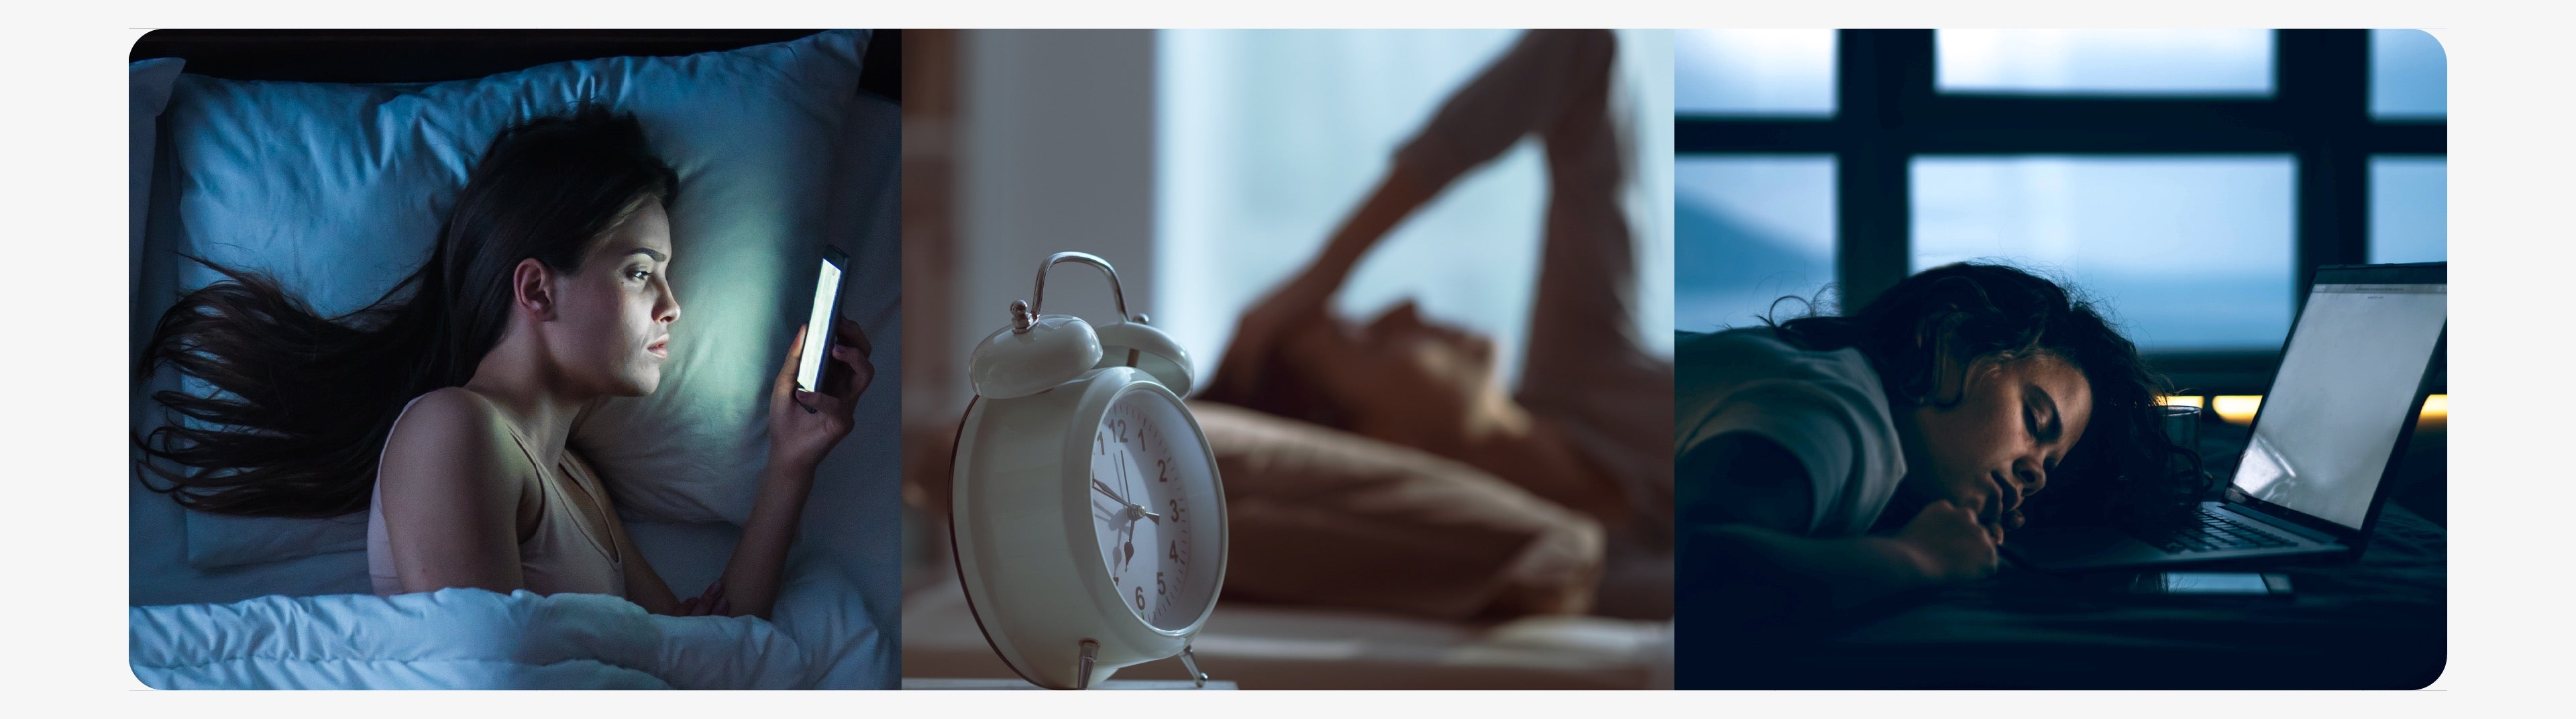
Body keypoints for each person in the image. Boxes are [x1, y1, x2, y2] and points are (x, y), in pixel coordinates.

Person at [133, 107, 873, 619]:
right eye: (642, 272)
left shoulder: (575, 482)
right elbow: (484, 675)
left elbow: (711, 652)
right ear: (536, 288)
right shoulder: (453, 430)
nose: (673, 305)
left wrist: (790, 460)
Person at [1195, 29, 1673, 620]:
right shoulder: (1563, 566)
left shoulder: (1586, 362)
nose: (1407, 309)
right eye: (1366, 338)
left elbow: (1583, 45)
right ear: (1383, 441)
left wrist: (1329, 267)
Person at [1671, 262, 2202, 657]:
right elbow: (1687, 565)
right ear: (1949, 340)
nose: (2036, 473)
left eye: (2050, 466)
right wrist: (1919, 560)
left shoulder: (1837, 397)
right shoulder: (1839, 414)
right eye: (2035, 424)